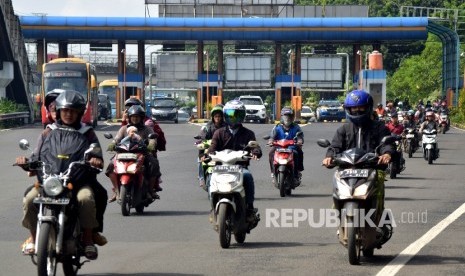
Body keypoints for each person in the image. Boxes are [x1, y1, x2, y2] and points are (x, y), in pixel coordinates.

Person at [16, 90, 106, 260]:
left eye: (73, 111)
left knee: (86, 198)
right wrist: (26, 161)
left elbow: (96, 153)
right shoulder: (48, 132)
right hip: (50, 181)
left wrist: (95, 160)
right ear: (58, 112)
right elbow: (36, 155)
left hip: (77, 181)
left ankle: (88, 239)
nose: (69, 114)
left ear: (80, 113)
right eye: (65, 110)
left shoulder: (87, 132)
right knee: (29, 199)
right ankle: (34, 239)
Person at [322, 90, 393, 214]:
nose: (357, 111)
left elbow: (386, 144)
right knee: (337, 188)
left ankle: (380, 216)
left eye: (361, 108)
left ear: (368, 108)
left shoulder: (379, 127)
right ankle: (339, 211)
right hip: (347, 169)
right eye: (353, 108)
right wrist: (329, 157)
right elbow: (335, 147)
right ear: (348, 110)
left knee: (379, 184)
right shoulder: (343, 129)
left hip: (372, 168)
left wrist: (386, 154)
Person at [206, 100, 262, 220]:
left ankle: (250, 208)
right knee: (210, 179)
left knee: (247, 176)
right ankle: (213, 208)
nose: (233, 118)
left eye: (237, 115)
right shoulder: (219, 133)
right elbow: (212, 147)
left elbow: (255, 146)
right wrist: (208, 154)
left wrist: (256, 152)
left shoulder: (248, 133)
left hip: (240, 168)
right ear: (226, 115)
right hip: (221, 167)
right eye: (231, 114)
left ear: (242, 116)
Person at [106, 105, 161, 202]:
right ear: (129, 118)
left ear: (141, 118)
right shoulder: (124, 128)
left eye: (137, 117)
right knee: (110, 166)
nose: (135, 119)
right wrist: (113, 144)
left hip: (142, 153)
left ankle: (150, 190)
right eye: (133, 117)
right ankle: (116, 190)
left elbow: (152, 139)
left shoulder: (147, 129)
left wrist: (151, 146)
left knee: (154, 164)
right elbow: (117, 138)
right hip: (124, 153)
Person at [267, 107, 304, 183]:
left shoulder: (296, 127)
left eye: (289, 116)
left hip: (292, 147)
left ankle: (296, 174)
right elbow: (272, 137)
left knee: (297, 153)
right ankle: (273, 173)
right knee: (271, 153)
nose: (287, 119)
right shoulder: (277, 127)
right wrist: (271, 141)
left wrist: (300, 141)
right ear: (282, 117)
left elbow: (300, 137)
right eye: (285, 116)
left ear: (292, 117)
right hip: (278, 146)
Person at [197, 104, 226, 189]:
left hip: (221, 149)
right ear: (213, 117)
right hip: (209, 148)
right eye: (216, 116)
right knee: (200, 159)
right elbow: (202, 133)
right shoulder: (208, 126)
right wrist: (201, 137)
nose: (217, 118)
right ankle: (201, 178)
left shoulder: (226, 126)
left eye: (219, 116)